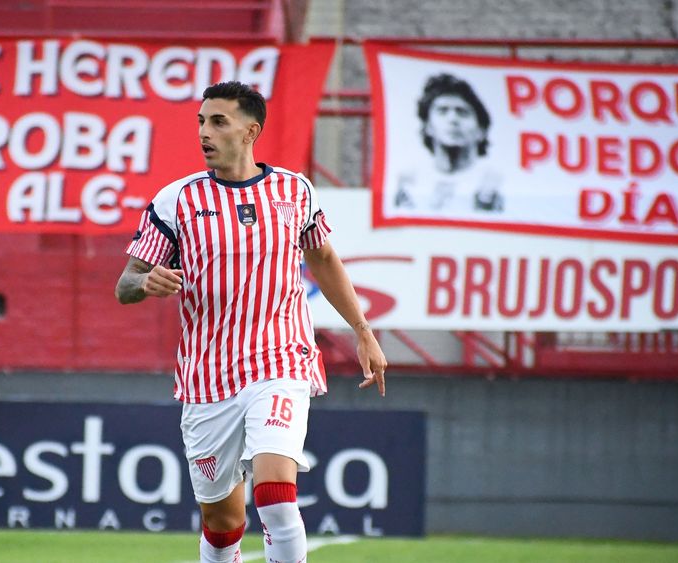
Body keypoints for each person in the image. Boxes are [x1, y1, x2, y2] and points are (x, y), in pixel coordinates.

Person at [114, 81, 386, 563]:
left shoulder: (294, 191)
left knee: (275, 493)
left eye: (218, 121)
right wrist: (146, 281)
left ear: (250, 131)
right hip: (208, 378)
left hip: (280, 361)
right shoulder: (176, 201)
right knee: (223, 524)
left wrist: (363, 331)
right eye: (201, 121)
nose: (205, 132)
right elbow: (125, 284)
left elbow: (322, 258)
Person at [394, 73, 503, 213]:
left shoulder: (496, 182)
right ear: (428, 127)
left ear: (481, 130)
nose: (452, 119)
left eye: (462, 112)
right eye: (442, 111)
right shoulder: (410, 181)